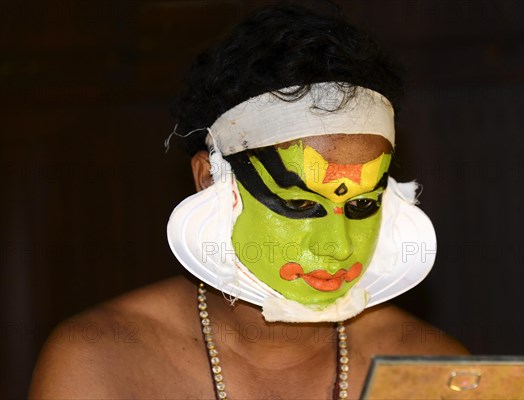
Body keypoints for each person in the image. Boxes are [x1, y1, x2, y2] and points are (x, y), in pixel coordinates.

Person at [29, 5, 467, 399]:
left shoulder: (432, 370)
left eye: (361, 206)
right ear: (211, 179)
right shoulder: (101, 361)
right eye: (299, 205)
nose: (338, 247)